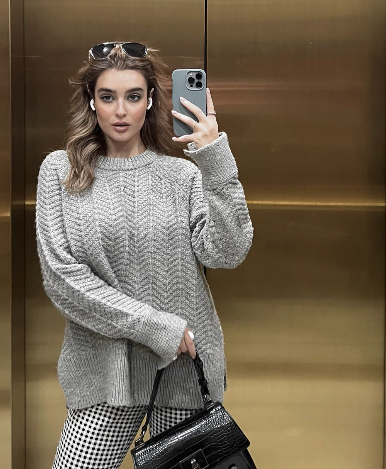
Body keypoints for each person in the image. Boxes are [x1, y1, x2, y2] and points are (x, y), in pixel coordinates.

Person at [36, 41, 255, 468]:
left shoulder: (183, 175)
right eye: (107, 96)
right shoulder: (60, 172)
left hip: (184, 375)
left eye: (133, 96)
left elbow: (228, 251)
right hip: (105, 374)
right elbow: (63, 280)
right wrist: (157, 327)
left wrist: (214, 157)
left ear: (150, 101)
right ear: (91, 102)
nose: (121, 110)